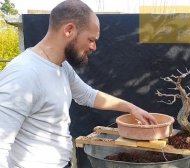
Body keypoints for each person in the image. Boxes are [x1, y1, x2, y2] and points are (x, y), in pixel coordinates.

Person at [0, 0, 157, 167]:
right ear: (69, 30)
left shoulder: (61, 66)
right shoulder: (23, 75)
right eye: (91, 39)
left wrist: (131, 108)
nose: (94, 47)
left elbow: (87, 95)